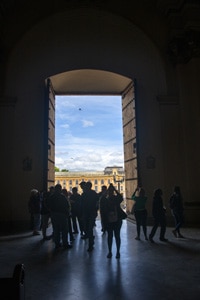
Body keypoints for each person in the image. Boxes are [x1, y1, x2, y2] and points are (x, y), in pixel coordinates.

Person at [100, 183, 125, 259]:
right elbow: (120, 197)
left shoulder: (106, 200)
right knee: (117, 236)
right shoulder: (116, 199)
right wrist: (114, 189)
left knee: (110, 236)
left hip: (109, 220)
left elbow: (101, 199)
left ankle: (110, 252)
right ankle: (117, 252)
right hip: (117, 219)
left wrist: (108, 191)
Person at [48, 184, 72, 249]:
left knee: (56, 230)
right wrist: (67, 213)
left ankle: (57, 244)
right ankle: (65, 243)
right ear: (60, 189)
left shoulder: (52, 197)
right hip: (62, 215)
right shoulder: (62, 197)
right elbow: (67, 206)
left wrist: (51, 212)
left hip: (54, 215)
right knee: (64, 230)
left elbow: (48, 205)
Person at [81, 181, 99, 252]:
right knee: (88, 228)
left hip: (89, 213)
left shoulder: (84, 194)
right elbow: (97, 202)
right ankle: (91, 241)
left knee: (89, 228)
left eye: (86, 186)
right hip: (89, 212)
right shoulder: (93, 193)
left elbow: (81, 204)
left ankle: (90, 244)